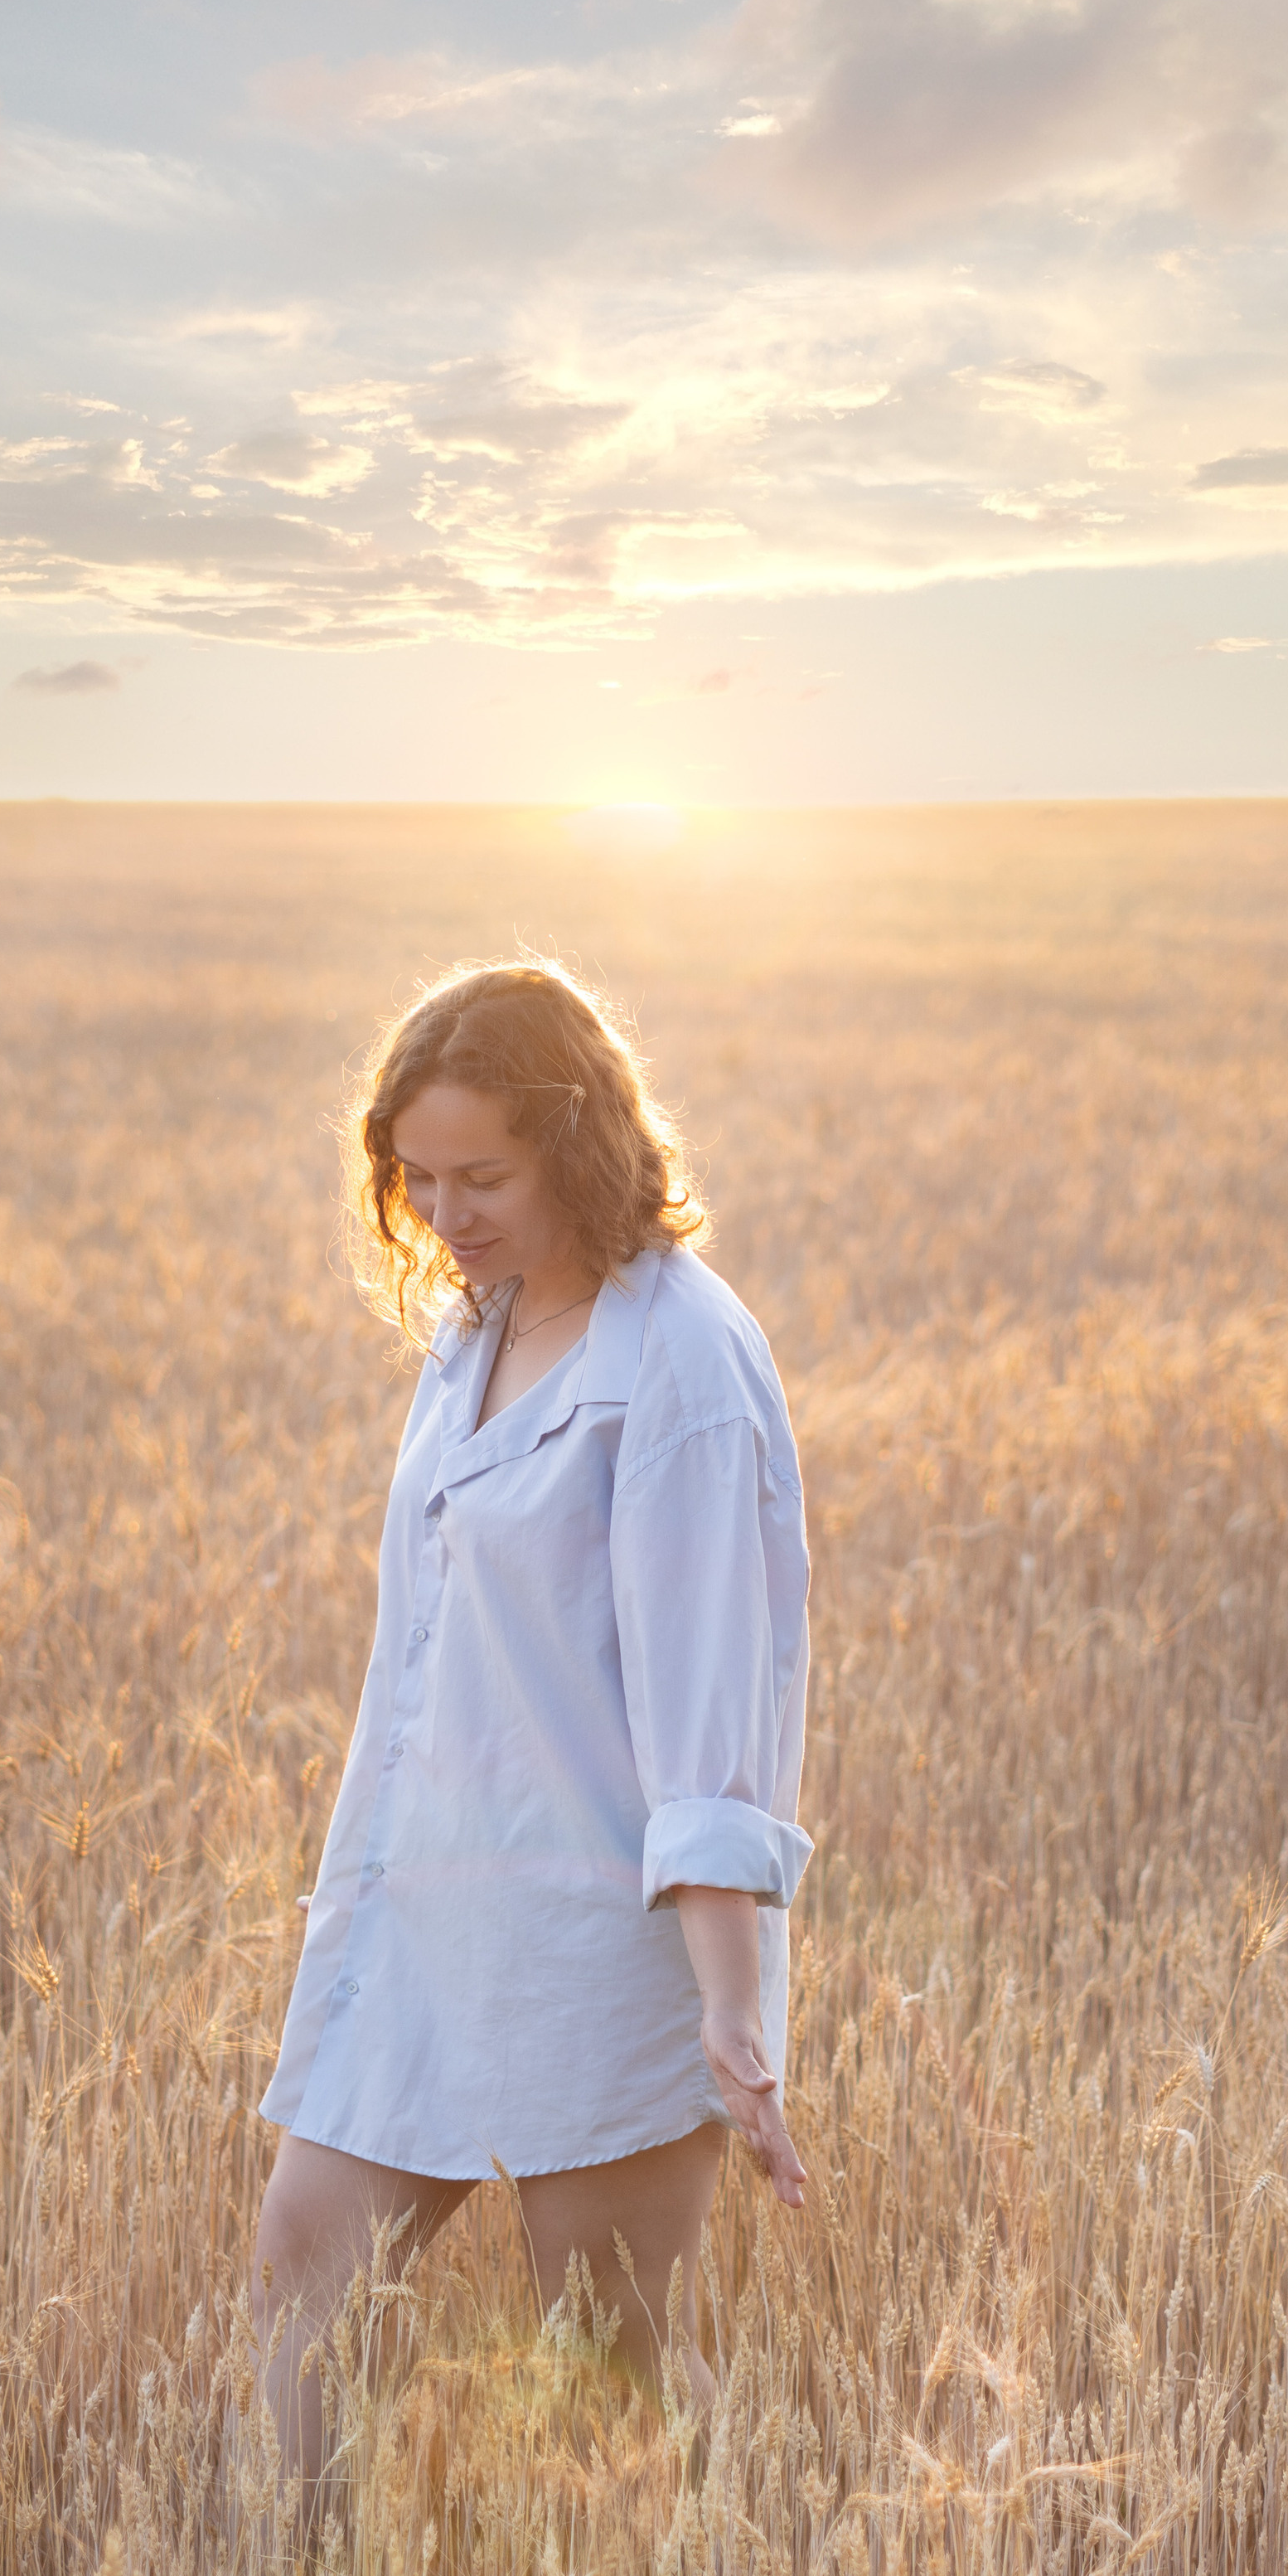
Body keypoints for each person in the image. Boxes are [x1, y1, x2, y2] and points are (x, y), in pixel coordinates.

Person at [251, 960, 811, 2496]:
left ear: (576, 1142)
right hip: (423, 1916)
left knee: (607, 2346)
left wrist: (730, 2013)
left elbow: (712, 1714)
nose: (443, 1213)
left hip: (597, 1938)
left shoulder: (678, 1362)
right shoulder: (478, 1327)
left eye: (481, 1175)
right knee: (303, 2253)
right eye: (415, 1177)